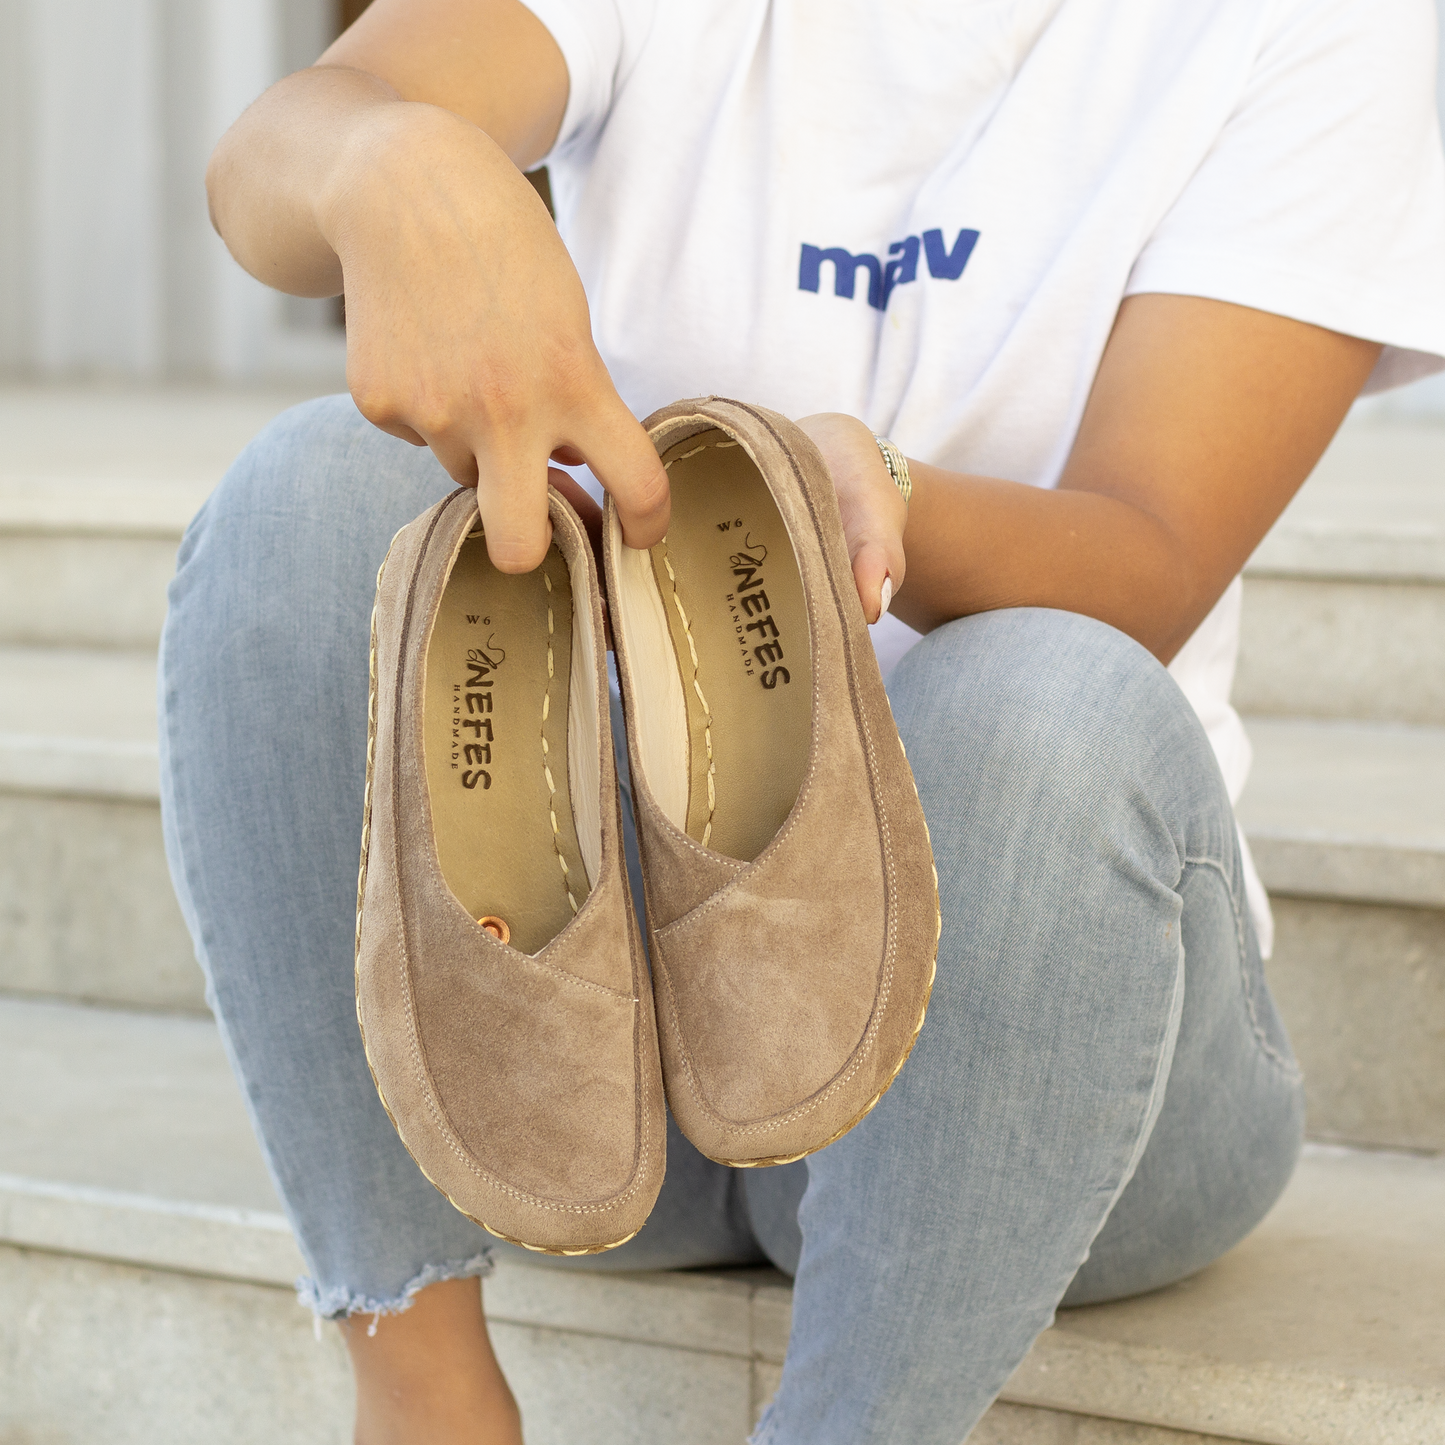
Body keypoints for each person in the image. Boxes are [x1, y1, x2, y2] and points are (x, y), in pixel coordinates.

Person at [167, 1, 1445, 1441]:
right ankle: (425, 1400)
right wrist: (387, 163)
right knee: (303, 500)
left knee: (1044, 704)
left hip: (1044, 1030)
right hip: (596, 1074)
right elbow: (261, 171)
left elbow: (1147, 553)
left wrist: (878, 492)